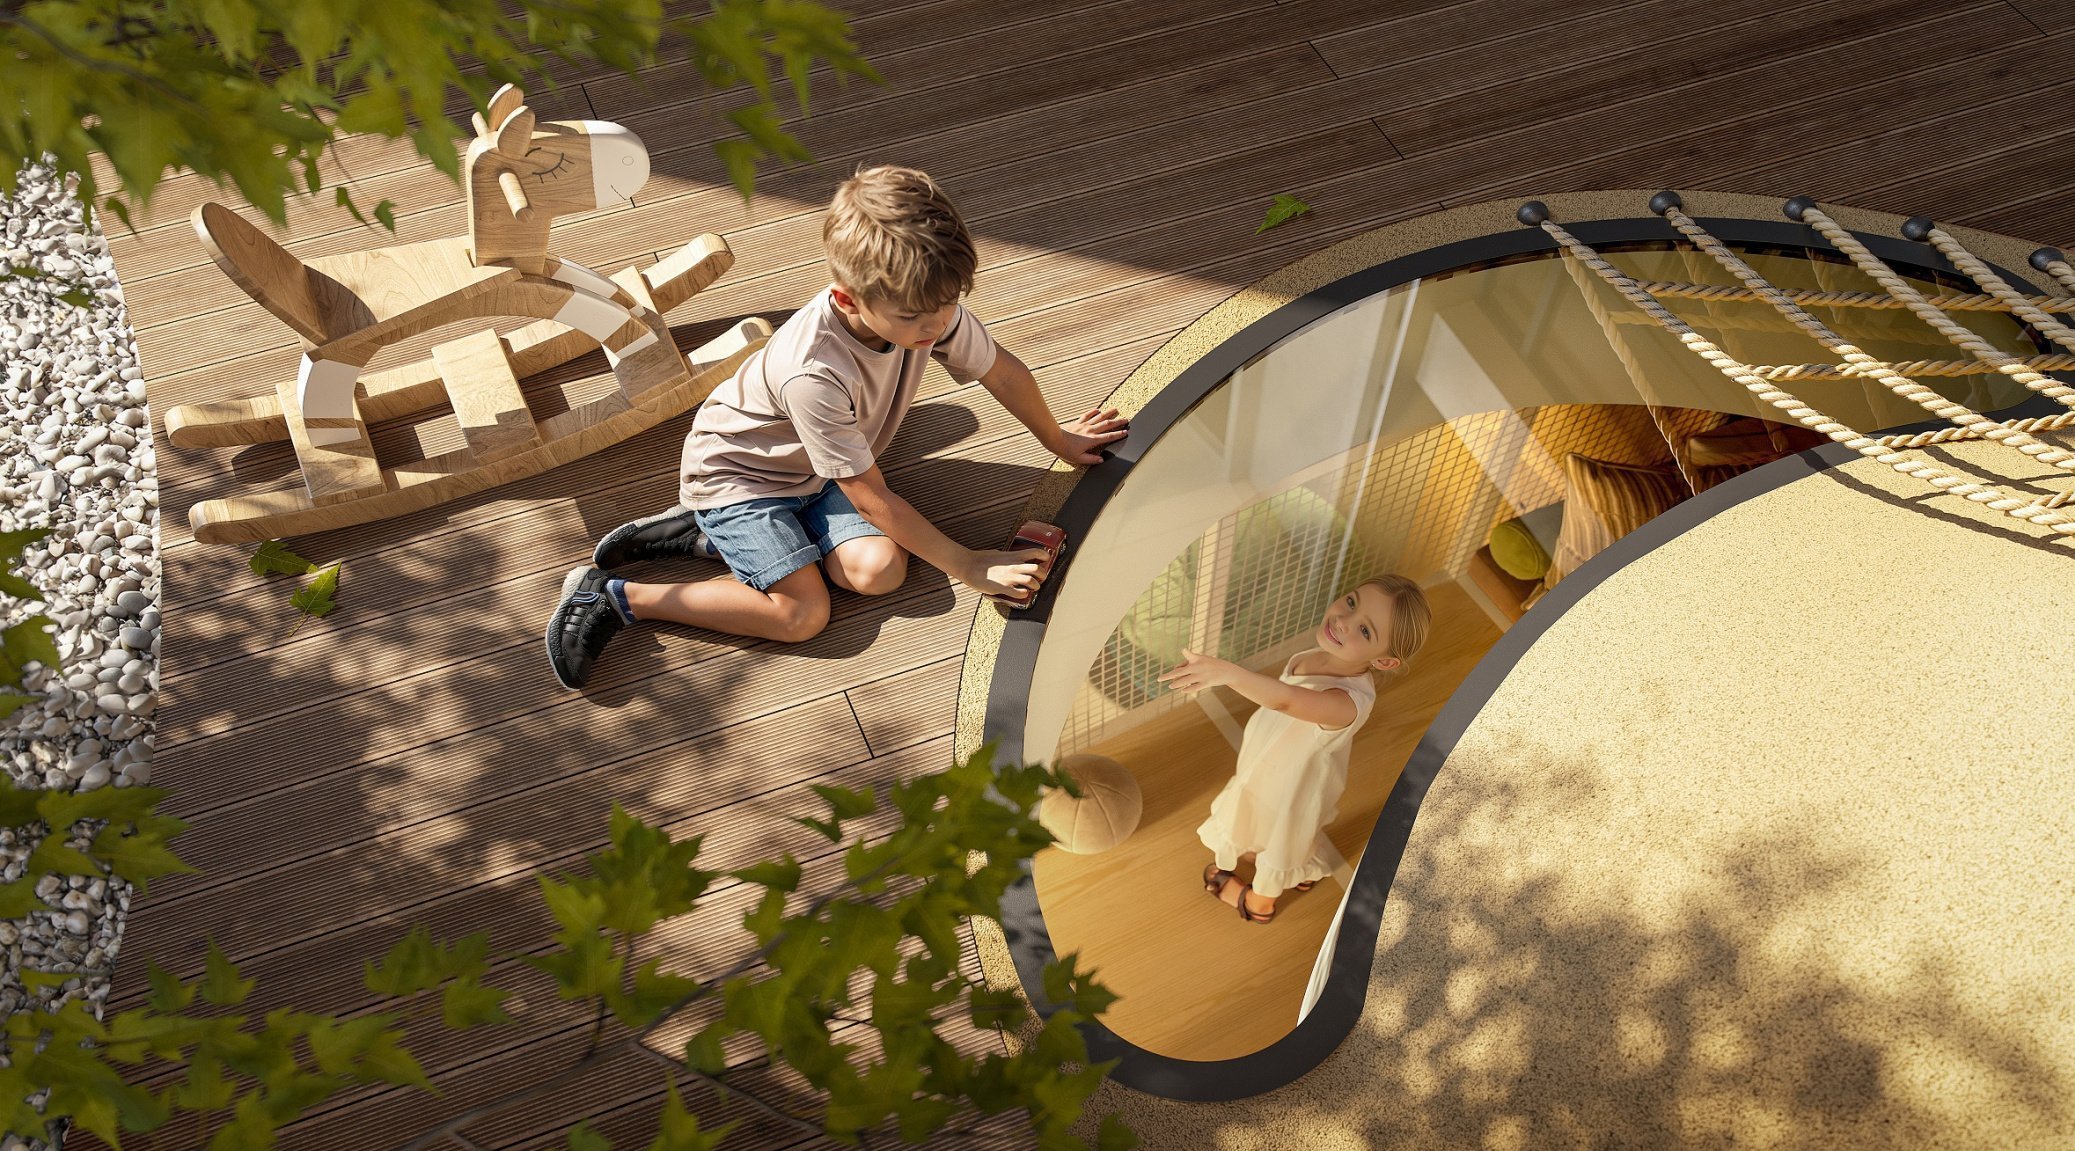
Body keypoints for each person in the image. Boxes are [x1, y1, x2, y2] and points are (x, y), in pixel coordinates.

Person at [545, 165, 1128, 689]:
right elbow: (870, 496)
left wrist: (1058, 438)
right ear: (848, 300)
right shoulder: (814, 374)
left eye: (949, 304)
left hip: (818, 472)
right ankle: (617, 596)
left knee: (879, 572)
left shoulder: (923, 303)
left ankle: (701, 539)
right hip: (741, 479)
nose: (936, 326)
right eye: (914, 317)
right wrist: (967, 563)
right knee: (802, 615)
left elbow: (1000, 371)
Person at [1158, 574, 1433, 923]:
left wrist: (1228, 673)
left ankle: (1260, 903)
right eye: (1351, 602)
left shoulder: (1346, 703)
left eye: (1365, 631)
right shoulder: (1323, 656)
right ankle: (1294, 867)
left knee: (1285, 836)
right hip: (1271, 766)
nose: (1344, 621)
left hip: (1292, 786)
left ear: (1384, 661)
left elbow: (1286, 700)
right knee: (1265, 822)